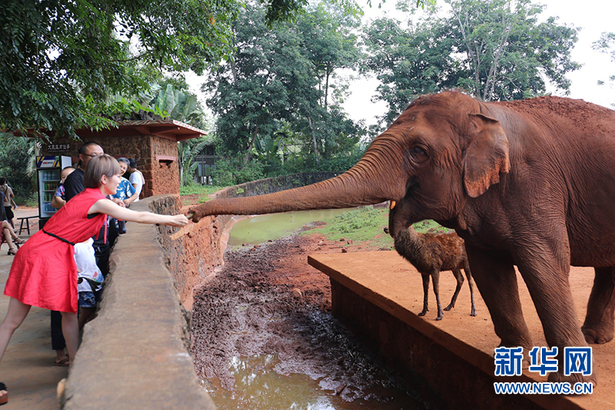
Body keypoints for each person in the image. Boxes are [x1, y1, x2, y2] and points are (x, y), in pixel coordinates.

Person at [0, 155, 188, 402]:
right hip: (47, 253)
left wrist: (114, 200)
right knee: (16, 321)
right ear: (103, 179)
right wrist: (172, 219)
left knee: (61, 311)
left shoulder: (92, 197)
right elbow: (139, 217)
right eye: (117, 176)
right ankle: (75, 363)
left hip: (45, 249)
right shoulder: (98, 201)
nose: (121, 179)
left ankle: (76, 364)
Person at [110, 158, 138, 234]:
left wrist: (128, 201)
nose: (121, 169)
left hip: (121, 214)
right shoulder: (108, 180)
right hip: (110, 213)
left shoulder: (125, 182)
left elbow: (135, 194)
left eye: (124, 168)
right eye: (120, 166)